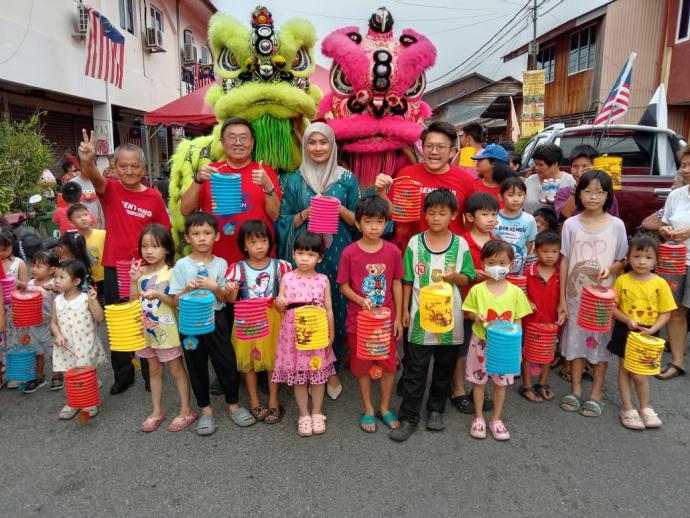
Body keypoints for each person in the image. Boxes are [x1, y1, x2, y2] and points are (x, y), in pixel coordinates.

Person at [78, 129, 170, 395]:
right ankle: (122, 374)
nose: (129, 171)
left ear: (144, 168)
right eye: (123, 166)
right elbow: (94, 176)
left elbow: (162, 233)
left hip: (145, 268)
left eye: (135, 166)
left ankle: (148, 372)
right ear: (115, 168)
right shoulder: (111, 189)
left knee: (145, 318)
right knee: (119, 322)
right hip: (114, 267)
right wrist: (87, 159)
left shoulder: (153, 196)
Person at [278, 122, 358, 399]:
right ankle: (305, 363)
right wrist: (306, 213)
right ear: (305, 146)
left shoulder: (346, 178)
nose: (318, 148)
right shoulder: (292, 180)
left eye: (324, 142)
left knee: (335, 306)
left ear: (332, 145)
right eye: (312, 142)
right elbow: (282, 219)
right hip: (305, 257)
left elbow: (360, 220)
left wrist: (340, 209)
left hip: (338, 253)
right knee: (305, 310)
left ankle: (329, 362)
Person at [391, 189, 476, 442]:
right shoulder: (415, 243)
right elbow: (407, 279)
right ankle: (408, 417)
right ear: (424, 214)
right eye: (431, 213)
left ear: (453, 215)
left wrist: (454, 277)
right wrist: (404, 310)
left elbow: (468, 276)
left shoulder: (460, 244)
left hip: (451, 321)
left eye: (442, 213)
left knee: (444, 369)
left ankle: (436, 410)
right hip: (419, 318)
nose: (436, 218)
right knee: (415, 370)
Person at [169, 212, 254, 436]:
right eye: (196, 234)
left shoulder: (221, 263)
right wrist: (189, 289)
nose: (202, 238)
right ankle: (205, 410)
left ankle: (233, 404)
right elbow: (175, 299)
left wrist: (214, 287)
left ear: (216, 236)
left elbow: (226, 299)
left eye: (207, 233)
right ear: (187, 237)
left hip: (216, 318)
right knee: (196, 365)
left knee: (226, 361)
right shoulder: (181, 265)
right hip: (190, 322)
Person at [558, 170, 628, 417]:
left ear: (608, 195)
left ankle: (596, 393)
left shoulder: (617, 225)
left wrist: (611, 268)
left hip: (603, 298)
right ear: (579, 193)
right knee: (575, 342)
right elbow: (564, 262)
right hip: (575, 297)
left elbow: (622, 260)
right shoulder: (570, 224)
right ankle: (576, 389)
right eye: (587, 191)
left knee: (600, 345)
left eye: (599, 191)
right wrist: (562, 301)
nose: (593, 196)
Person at [337, 196, 403, 433]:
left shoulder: (393, 251)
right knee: (362, 367)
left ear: (386, 223)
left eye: (379, 221)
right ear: (357, 223)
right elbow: (343, 286)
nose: (374, 227)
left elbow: (397, 283)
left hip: (386, 322)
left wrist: (398, 318)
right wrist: (360, 300)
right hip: (359, 323)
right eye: (368, 221)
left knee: (389, 367)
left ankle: (384, 407)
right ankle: (367, 408)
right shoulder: (349, 253)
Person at [180, 117, 281, 266]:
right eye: (232, 138)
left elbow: (274, 215)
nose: (238, 143)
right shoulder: (211, 171)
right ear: (222, 142)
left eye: (244, 138)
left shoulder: (264, 172)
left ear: (252, 143)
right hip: (217, 262)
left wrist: (268, 186)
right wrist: (198, 180)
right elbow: (186, 210)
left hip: (258, 263)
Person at [129, 224, 197, 433]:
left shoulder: (172, 272)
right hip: (146, 332)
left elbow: (177, 302)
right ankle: (156, 410)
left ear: (167, 248)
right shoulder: (139, 273)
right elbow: (132, 301)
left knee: (176, 370)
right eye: (144, 246)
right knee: (154, 370)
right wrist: (133, 281)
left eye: (155, 246)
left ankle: (186, 410)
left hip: (167, 332)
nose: (149, 251)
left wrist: (158, 295)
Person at [462, 239, 532, 440]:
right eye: (491, 263)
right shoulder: (477, 290)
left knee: (501, 385)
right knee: (479, 382)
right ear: (483, 263)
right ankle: (478, 417)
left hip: (505, 348)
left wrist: (518, 349)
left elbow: (517, 320)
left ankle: (496, 419)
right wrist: (477, 317)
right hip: (480, 343)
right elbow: (469, 313)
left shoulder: (516, 292)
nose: (497, 267)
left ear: (511, 265)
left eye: (502, 263)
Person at [225, 220, 292, 425]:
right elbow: (231, 300)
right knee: (249, 364)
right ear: (244, 246)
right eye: (253, 242)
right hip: (247, 319)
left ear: (270, 242)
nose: (259, 246)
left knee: (273, 362)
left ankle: (274, 400)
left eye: (263, 240)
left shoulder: (281, 266)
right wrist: (230, 290)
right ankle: (254, 401)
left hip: (273, 319)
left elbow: (288, 295)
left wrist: (283, 301)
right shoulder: (237, 268)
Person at [608, 235, 676, 429]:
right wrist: (627, 319)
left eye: (648, 257)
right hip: (625, 329)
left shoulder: (660, 283)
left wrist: (654, 329)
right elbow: (613, 307)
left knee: (641, 372)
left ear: (656, 261)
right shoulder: (622, 281)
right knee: (624, 368)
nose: (641, 261)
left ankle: (645, 407)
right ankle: (628, 408)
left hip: (649, 332)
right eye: (637, 256)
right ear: (628, 257)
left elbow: (666, 312)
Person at [272, 232, 336, 437]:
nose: (304, 258)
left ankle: (317, 412)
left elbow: (329, 309)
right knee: (300, 378)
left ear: (320, 258)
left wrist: (331, 335)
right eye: (300, 253)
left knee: (318, 378)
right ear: (293, 254)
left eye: (310, 254)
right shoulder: (287, 277)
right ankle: (304, 415)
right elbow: (279, 304)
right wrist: (279, 302)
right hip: (293, 337)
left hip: (317, 335)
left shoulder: (323, 280)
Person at [375, 121, 475, 250]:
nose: (434, 151)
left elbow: (475, 219)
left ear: (451, 152)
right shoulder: (406, 175)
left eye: (440, 147)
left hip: (451, 255)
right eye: (429, 146)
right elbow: (391, 213)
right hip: (412, 253)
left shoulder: (466, 180)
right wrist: (381, 192)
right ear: (422, 148)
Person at [450, 192, 498, 415]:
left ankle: (479, 386)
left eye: (494, 214)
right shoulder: (461, 241)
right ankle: (458, 389)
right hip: (465, 304)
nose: (490, 219)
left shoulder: (497, 242)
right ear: (469, 216)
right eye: (485, 214)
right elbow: (454, 271)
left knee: (484, 348)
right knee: (461, 348)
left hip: (489, 307)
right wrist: (470, 274)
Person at [50, 260, 106, 420]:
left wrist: (94, 300)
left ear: (76, 281)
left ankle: (89, 401)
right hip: (66, 345)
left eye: (61, 277)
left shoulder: (85, 298)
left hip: (84, 344)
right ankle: (73, 402)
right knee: (70, 373)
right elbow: (53, 322)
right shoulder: (57, 301)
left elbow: (99, 318)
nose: (57, 280)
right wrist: (57, 335)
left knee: (85, 373)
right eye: (56, 277)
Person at [655, 144, 690, 380]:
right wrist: (666, 229)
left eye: (689, 165)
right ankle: (677, 362)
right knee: (675, 311)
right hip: (675, 261)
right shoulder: (677, 195)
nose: (685, 170)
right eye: (684, 165)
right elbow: (662, 222)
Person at [520, 231, 563, 402]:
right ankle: (527, 385)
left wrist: (563, 311)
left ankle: (542, 383)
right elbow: (520, 291)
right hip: (531, 322)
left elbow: (563, 298)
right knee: (528, 354)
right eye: (545, 251)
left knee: (548, 353)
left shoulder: (561, 273)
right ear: (536, 251)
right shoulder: (528, 271)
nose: (550, 256)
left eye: (555, 251)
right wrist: (527, 300)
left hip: (551, 322)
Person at [22, 251, 60, 393]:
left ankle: (57, 374)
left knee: (54, 352)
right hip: (32, 325)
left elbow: (62, 294)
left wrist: (55, 289)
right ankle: (38, 377)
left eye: (38, 267)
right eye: (32, 266)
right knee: (36, 352)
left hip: (49, 324)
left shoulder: (54, 283)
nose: (34, 269)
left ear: (51, 270)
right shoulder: (30, 283)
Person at [554, 145, 619, 219]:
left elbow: (613, 221)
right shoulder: (563, 192)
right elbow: (566, 215)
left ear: (595, 168)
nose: (580, 172)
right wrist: (578, 188)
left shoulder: (605, 194)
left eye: (585, 166)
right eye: (575, 166)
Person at [495, 176, 537, 274]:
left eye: (520, 195)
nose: (516, 199)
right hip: (496, 267)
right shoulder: (494, 217)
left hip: (519, 270)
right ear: (501, 197)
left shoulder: (529, 220)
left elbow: (529, 244)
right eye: (511, 195)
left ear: (525, 196)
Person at [524, 143, 575, 215]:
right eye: (535, 164)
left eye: (541, 165)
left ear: (555, 164)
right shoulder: (530, 180)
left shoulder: (571, 182)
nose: (536, 168)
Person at [68, 203, 105, 297]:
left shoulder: (102, 234)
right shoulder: (74, 242)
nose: (83, 218)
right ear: (71, 222)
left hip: (106, 277)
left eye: (85, 214)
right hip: (88, 281)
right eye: (78, 217)